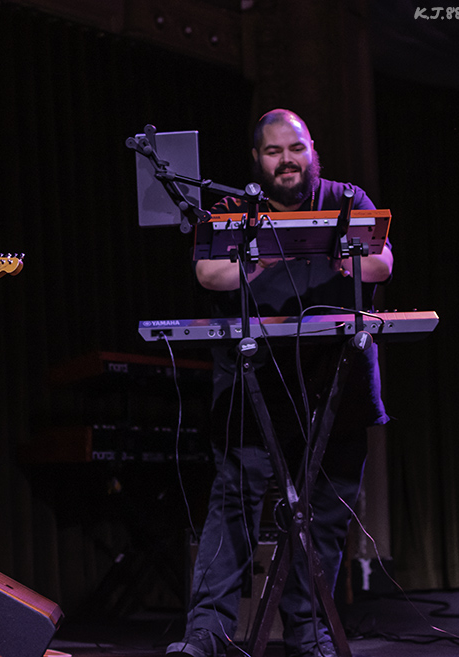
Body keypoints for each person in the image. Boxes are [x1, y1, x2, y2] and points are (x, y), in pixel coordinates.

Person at [167, 109, 393, 657]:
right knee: (234, 505)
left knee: (327, 513)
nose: (286, 160)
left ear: (312, 149)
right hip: (254, 382)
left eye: (295, 148)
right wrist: (262, 258)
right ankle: (208, 634)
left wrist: (342, 256)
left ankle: (309, 631)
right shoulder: (234, 209)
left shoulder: (347, 199)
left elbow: (382, 263)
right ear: (257, 159)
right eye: (273, 152)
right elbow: (208, 273)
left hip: (335, 379)